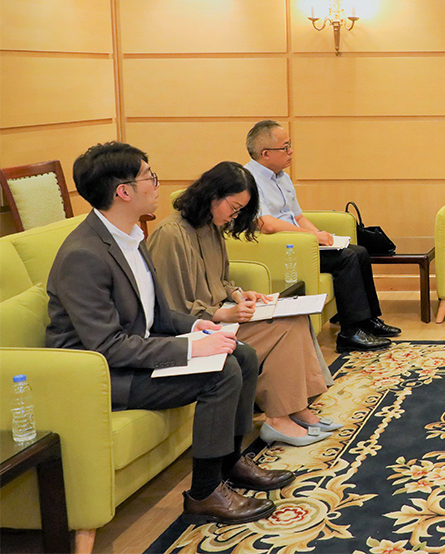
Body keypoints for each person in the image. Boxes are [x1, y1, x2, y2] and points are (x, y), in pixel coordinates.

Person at [46, 143, 289, 525]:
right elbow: (106, 346)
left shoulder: (130, 237)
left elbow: (155, 314)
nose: (158, 185)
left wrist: (195, 326)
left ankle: (231, 462)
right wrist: (190, 351)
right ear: (123, 191)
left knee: (241, 353)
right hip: (101, 375)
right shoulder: (85, 254)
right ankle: (204, 493)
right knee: (220, 373)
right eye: (150, 177)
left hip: (133, 355)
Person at [147, 162, 339, 447]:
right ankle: (278, 419)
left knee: (296, 318)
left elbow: (219, 280)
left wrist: (239, 294)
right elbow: (170, 309)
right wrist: (223, 313)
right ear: (213, 195)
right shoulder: (171, 234)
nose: (234, 216)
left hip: (217, 319)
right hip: (194, 332)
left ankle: (298, 409)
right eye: (234, 207)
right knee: (284, 328)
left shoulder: (211, 226)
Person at [243, 120, 400, 353]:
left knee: (359, 252)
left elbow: (297, 216)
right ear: (265, 154)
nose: (291, 152)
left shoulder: (282, 177)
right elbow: (266, 224)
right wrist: (311, 237)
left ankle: (367, 321)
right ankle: (350, 333)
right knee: (346, 258)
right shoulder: (248, 181)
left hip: (300, 242)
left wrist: (319, 234)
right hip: (280, 249)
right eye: (285, 147)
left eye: (290, 145)